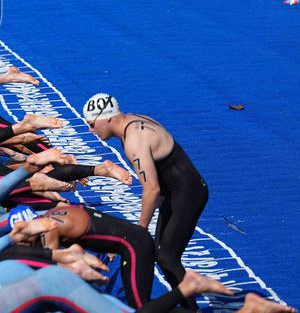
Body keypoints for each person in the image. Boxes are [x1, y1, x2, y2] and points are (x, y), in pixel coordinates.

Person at [83, 93, 209, 301]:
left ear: (107, 118)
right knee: (163, 254)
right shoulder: (130, 122)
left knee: (167, 256)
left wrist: (139, 231)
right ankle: (189, 305)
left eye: (92, 124)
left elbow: (152, 190)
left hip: (189, 193)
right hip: (176, 192)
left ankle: (191, 307)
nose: (91, 130)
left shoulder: (134, 140)